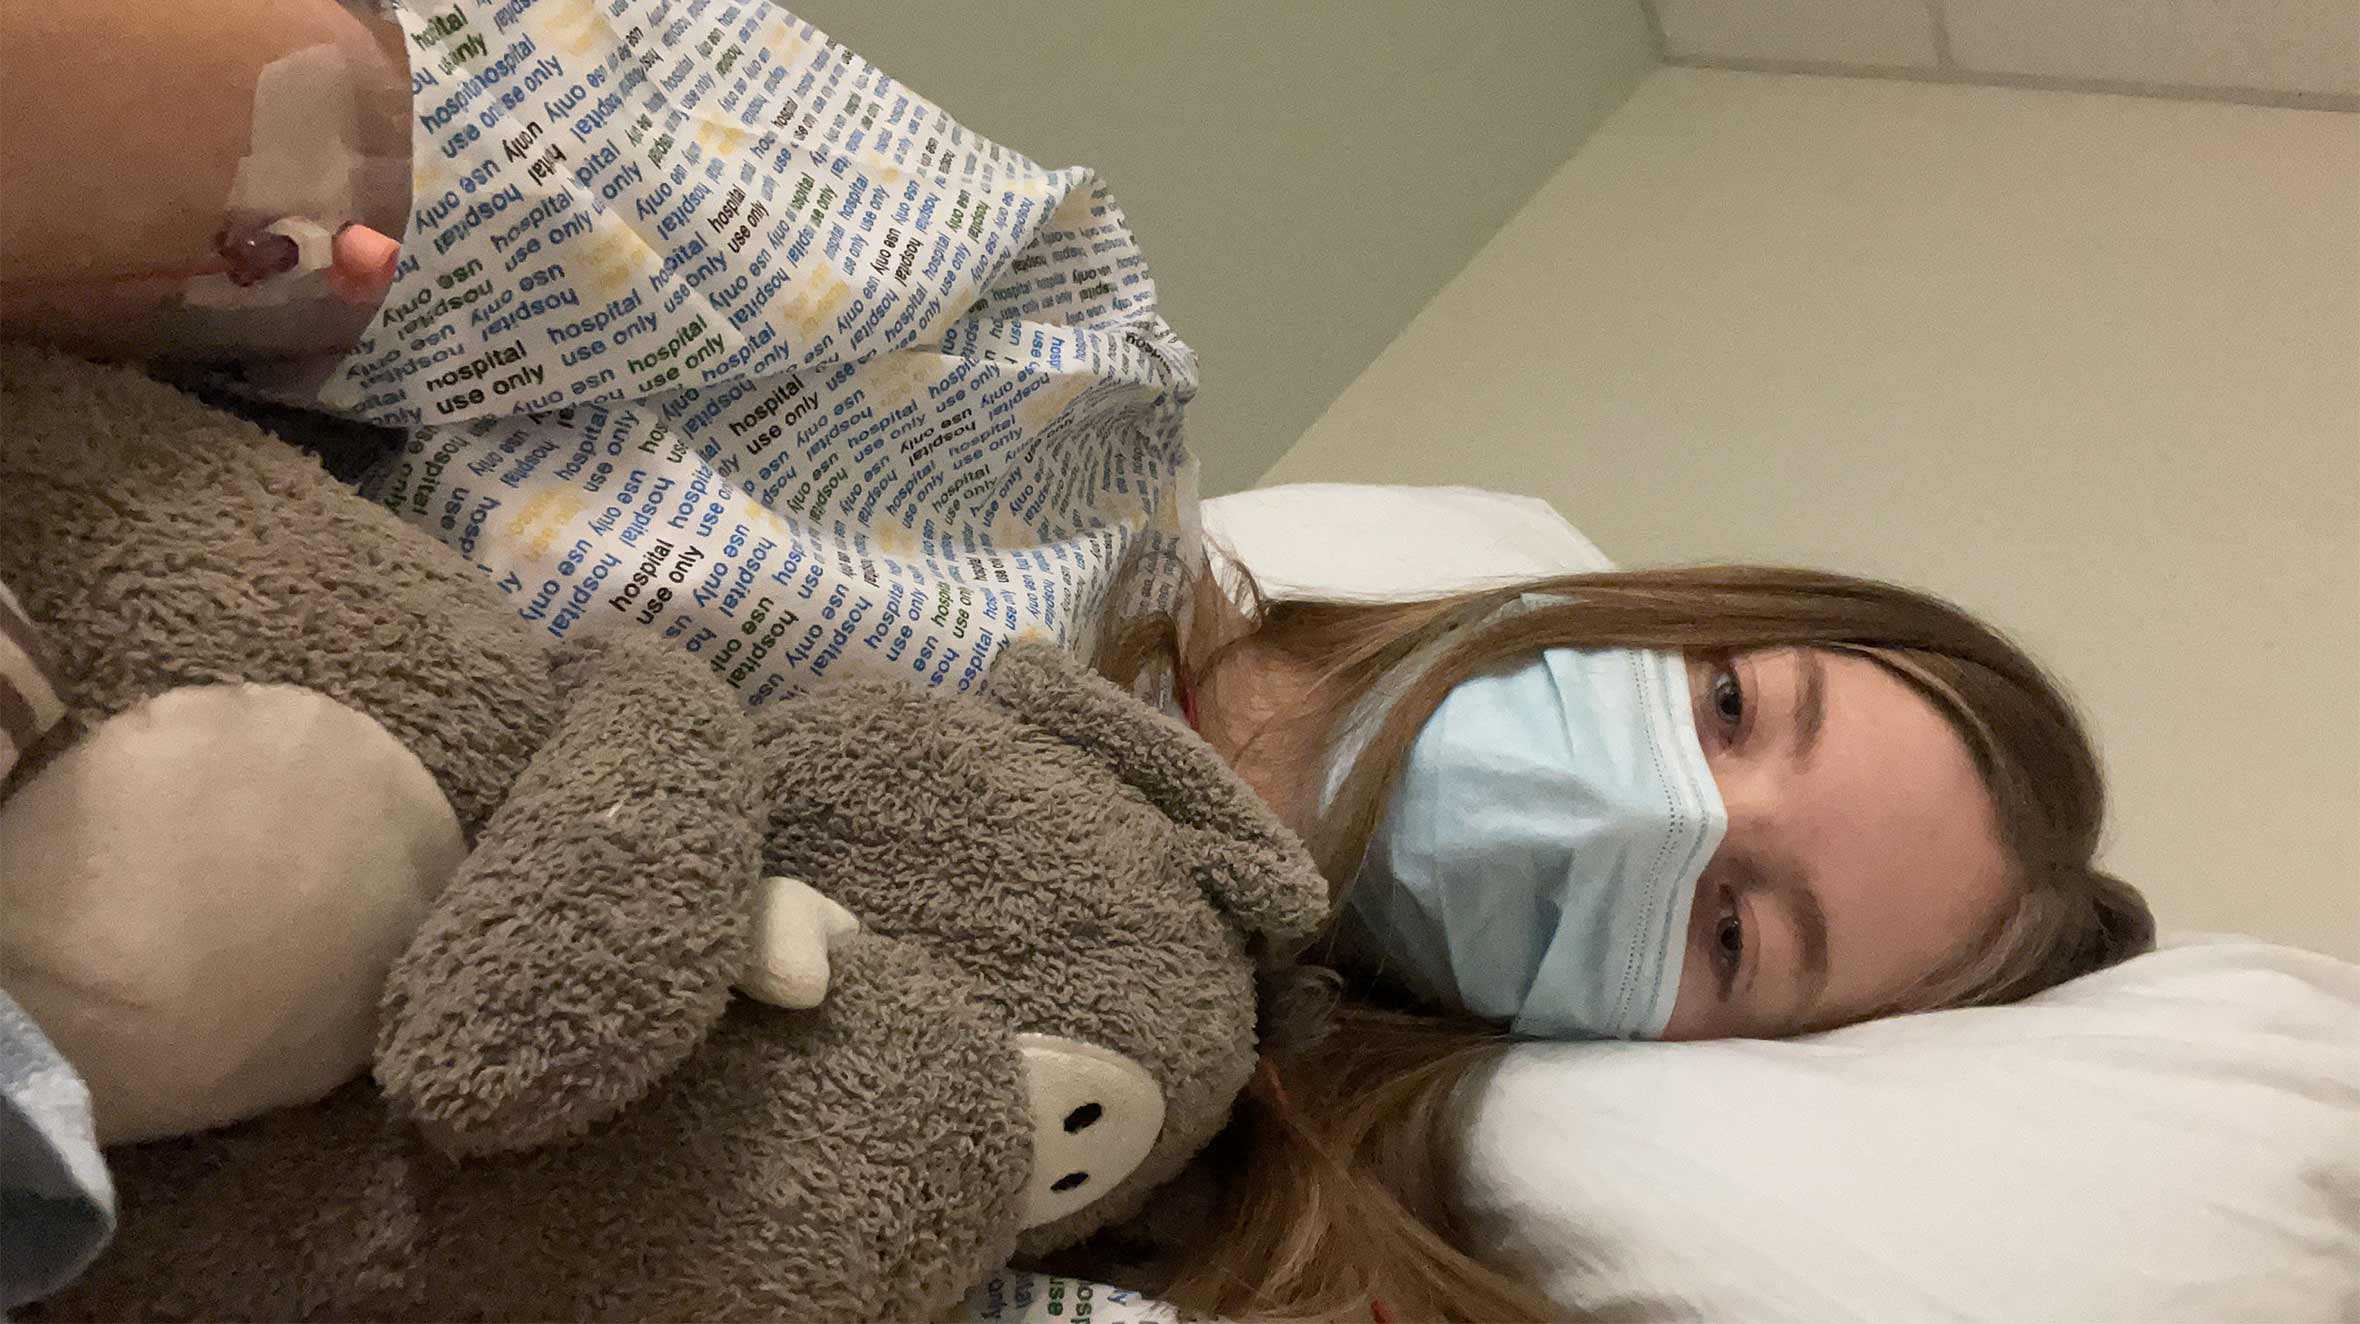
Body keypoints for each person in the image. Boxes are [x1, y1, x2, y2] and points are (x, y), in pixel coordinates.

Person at [1078, 556, 2155, 1319]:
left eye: (1732, 931)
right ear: (1663, 608)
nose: (1653, 818)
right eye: (1726, 706)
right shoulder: (1066, 406)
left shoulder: (1165, 1214)